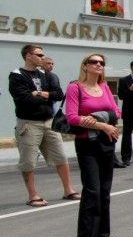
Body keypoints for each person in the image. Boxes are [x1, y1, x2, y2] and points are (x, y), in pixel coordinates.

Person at [65, 53, 121, 237]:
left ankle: (101, 233)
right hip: (87, 144)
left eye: (101, 63)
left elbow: (117, 112)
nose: (98, 65)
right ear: (85, 66)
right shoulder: (75, 87)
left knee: (105, 190)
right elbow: (72, 117)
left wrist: (96, 119)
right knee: (92, 191)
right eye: (94, 62)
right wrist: (102, 124)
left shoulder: (105, 87)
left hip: (107, 142)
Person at [9, 44, 80, 207]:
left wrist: (39, 93)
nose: (42, 57)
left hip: (49, 122)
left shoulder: (46, 75)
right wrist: (45, 96)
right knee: (28, 161)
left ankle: (68, 189)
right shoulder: (17, 75)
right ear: (28, 56)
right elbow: (23, 99)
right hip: (28, 124)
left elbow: (59, 94)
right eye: (39, 55)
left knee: (61, 157)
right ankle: (33, 195)